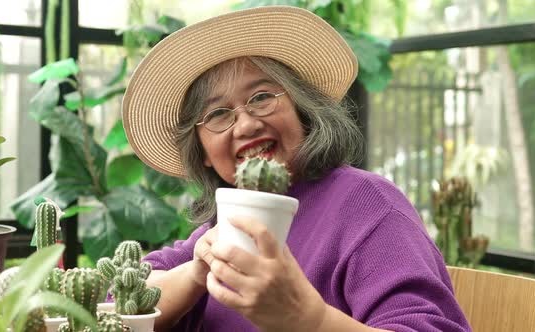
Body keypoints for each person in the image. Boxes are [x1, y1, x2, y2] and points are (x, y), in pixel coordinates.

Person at [122, 5, 471, 332]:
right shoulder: (221, 228)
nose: (244, 125)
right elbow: (117, 297)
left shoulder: (368, 205)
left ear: (302, 110)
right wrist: (196, 274)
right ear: (203, 154)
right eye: (217, 114)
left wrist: (309, 318)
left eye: (261, 97)